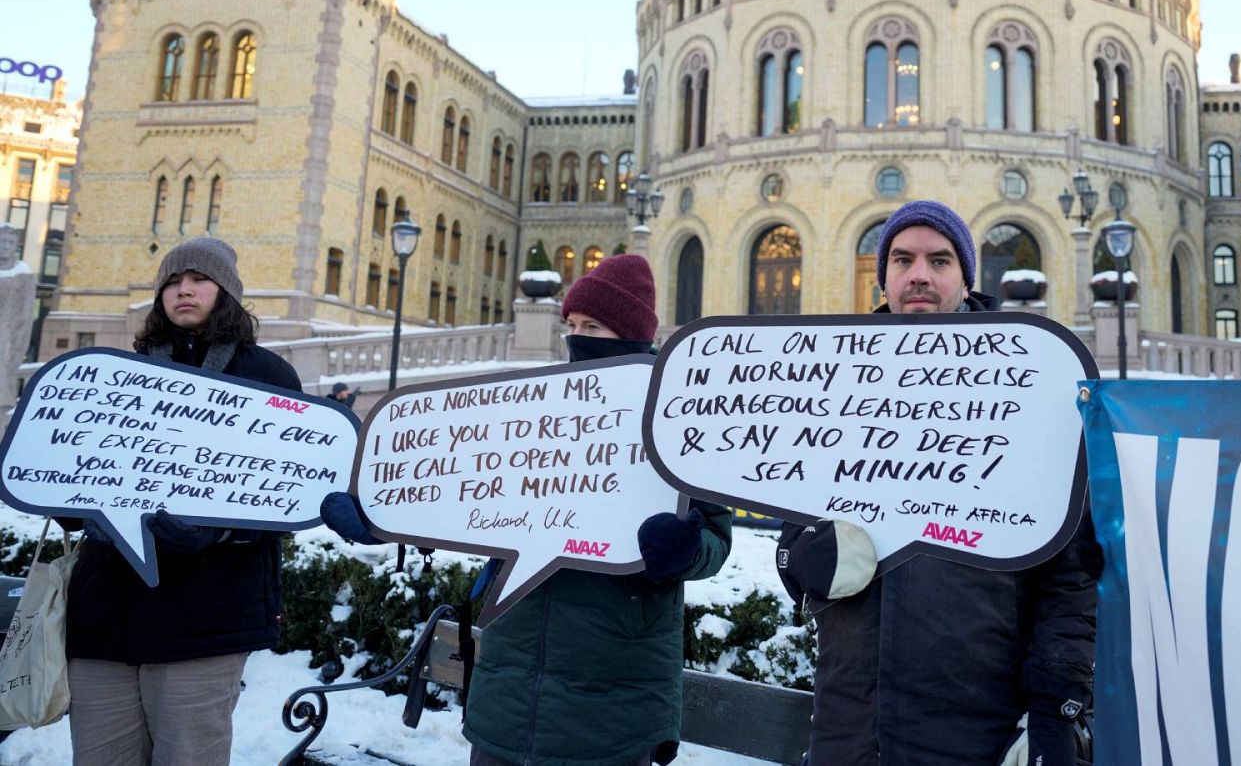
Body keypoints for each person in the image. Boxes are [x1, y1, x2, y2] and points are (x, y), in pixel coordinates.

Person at [322, 254, 732, 766]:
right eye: (573, 325)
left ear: (630, 335)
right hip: (506, 696)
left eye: (594, 326)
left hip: (613, 709)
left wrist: (686, 551)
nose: (577, 336)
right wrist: (387, 517)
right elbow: (459, 495)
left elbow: (716, 538)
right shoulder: (533, 411)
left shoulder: (682, 412)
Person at [776, 200, 1101, 765]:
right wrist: (808, 558)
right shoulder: (836, 386)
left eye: (939, 260)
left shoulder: (1027, 390)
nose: (918, 275)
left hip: (977, 731)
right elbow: (793, 543)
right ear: (883, 278)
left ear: (965, 278)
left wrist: (1056, 710)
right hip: (851, 730)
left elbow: (1071, 577)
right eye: (902, 260)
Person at [64, 237, 302, 765]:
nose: (183, 290)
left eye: (198, 279)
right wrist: (73, 505)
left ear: (227, 294)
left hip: (206, 619)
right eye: (172, 281)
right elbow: (71, 468)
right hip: (105, 616)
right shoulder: (115, 376)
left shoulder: (267, 378)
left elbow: (285, 492)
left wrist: (219, 530)